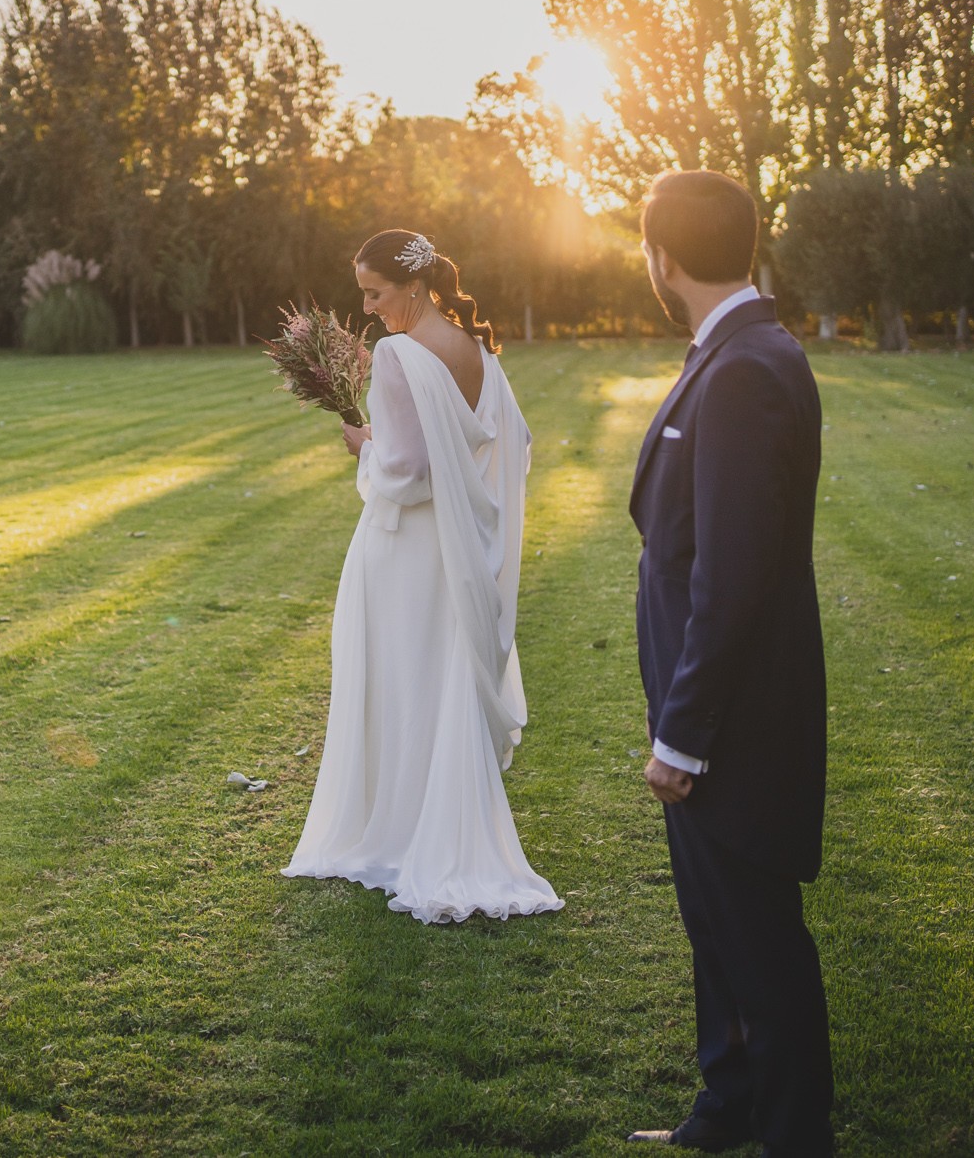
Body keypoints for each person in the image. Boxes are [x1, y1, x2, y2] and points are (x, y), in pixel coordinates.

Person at [623, 171, 834, 1154]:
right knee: (718, 933)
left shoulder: (746, 367)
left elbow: (733, 575)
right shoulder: (737, 350)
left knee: (758, 948)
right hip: (710, 707)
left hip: (730, 721)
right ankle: (724, 1111)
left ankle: (794, 1137)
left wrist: (682, 734)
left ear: (661, 257)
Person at [281, 229, 562, 925]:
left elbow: (405, 477)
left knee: (396, 683)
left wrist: (365, 444)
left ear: (411, 286)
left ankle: (396, 835)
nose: (370, 309)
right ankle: (418, 830)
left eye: (374, 293)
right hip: (453, 556)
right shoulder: (477, 351)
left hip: (405, 552)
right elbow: (513, 445)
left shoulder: (400, 355)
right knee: (429, 685)